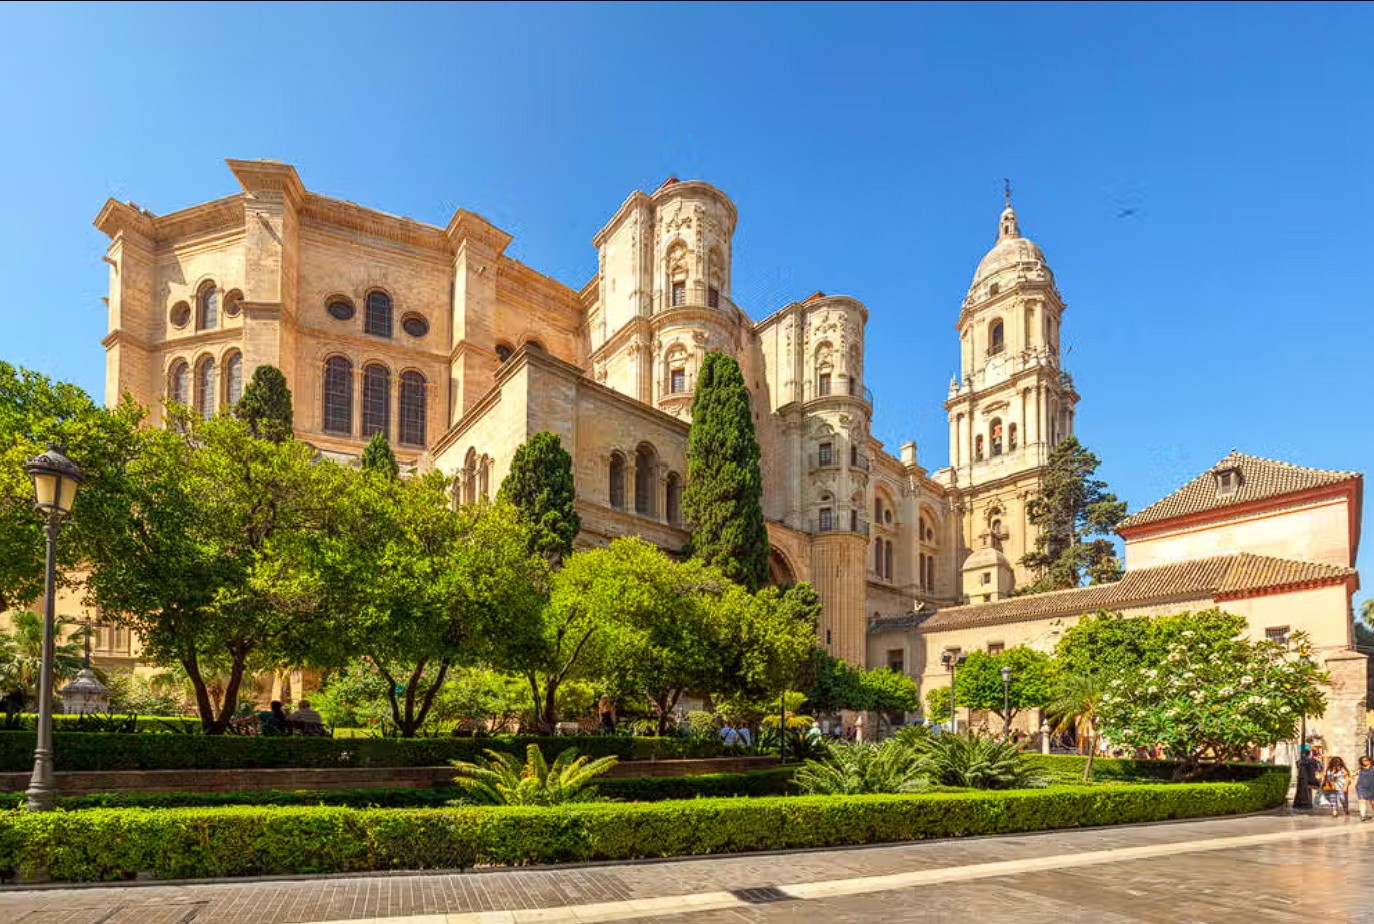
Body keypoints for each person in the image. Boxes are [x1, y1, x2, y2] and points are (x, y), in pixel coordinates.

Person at [1296, 745, 1322, 811]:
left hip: (1302, 778)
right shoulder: (1312, 761)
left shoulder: (1300, 761)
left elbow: (1298, 766)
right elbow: (1319, 768)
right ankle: (1307, 803)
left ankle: (1304, 803)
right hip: (1308, 778)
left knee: (1304, 791)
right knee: (1307, 790)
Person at [1355, 756, 1374, 821]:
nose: (1366, 761)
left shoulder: (1373, 768)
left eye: (1367, 760)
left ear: (1370, 760)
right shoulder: (1359, 769)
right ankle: (1362, 816)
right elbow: (1353, 776)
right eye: (1364, 760)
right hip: (1361, 787)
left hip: (1372, 786)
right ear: (1361, 761)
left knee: (1373, 802)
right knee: (1362, 801)